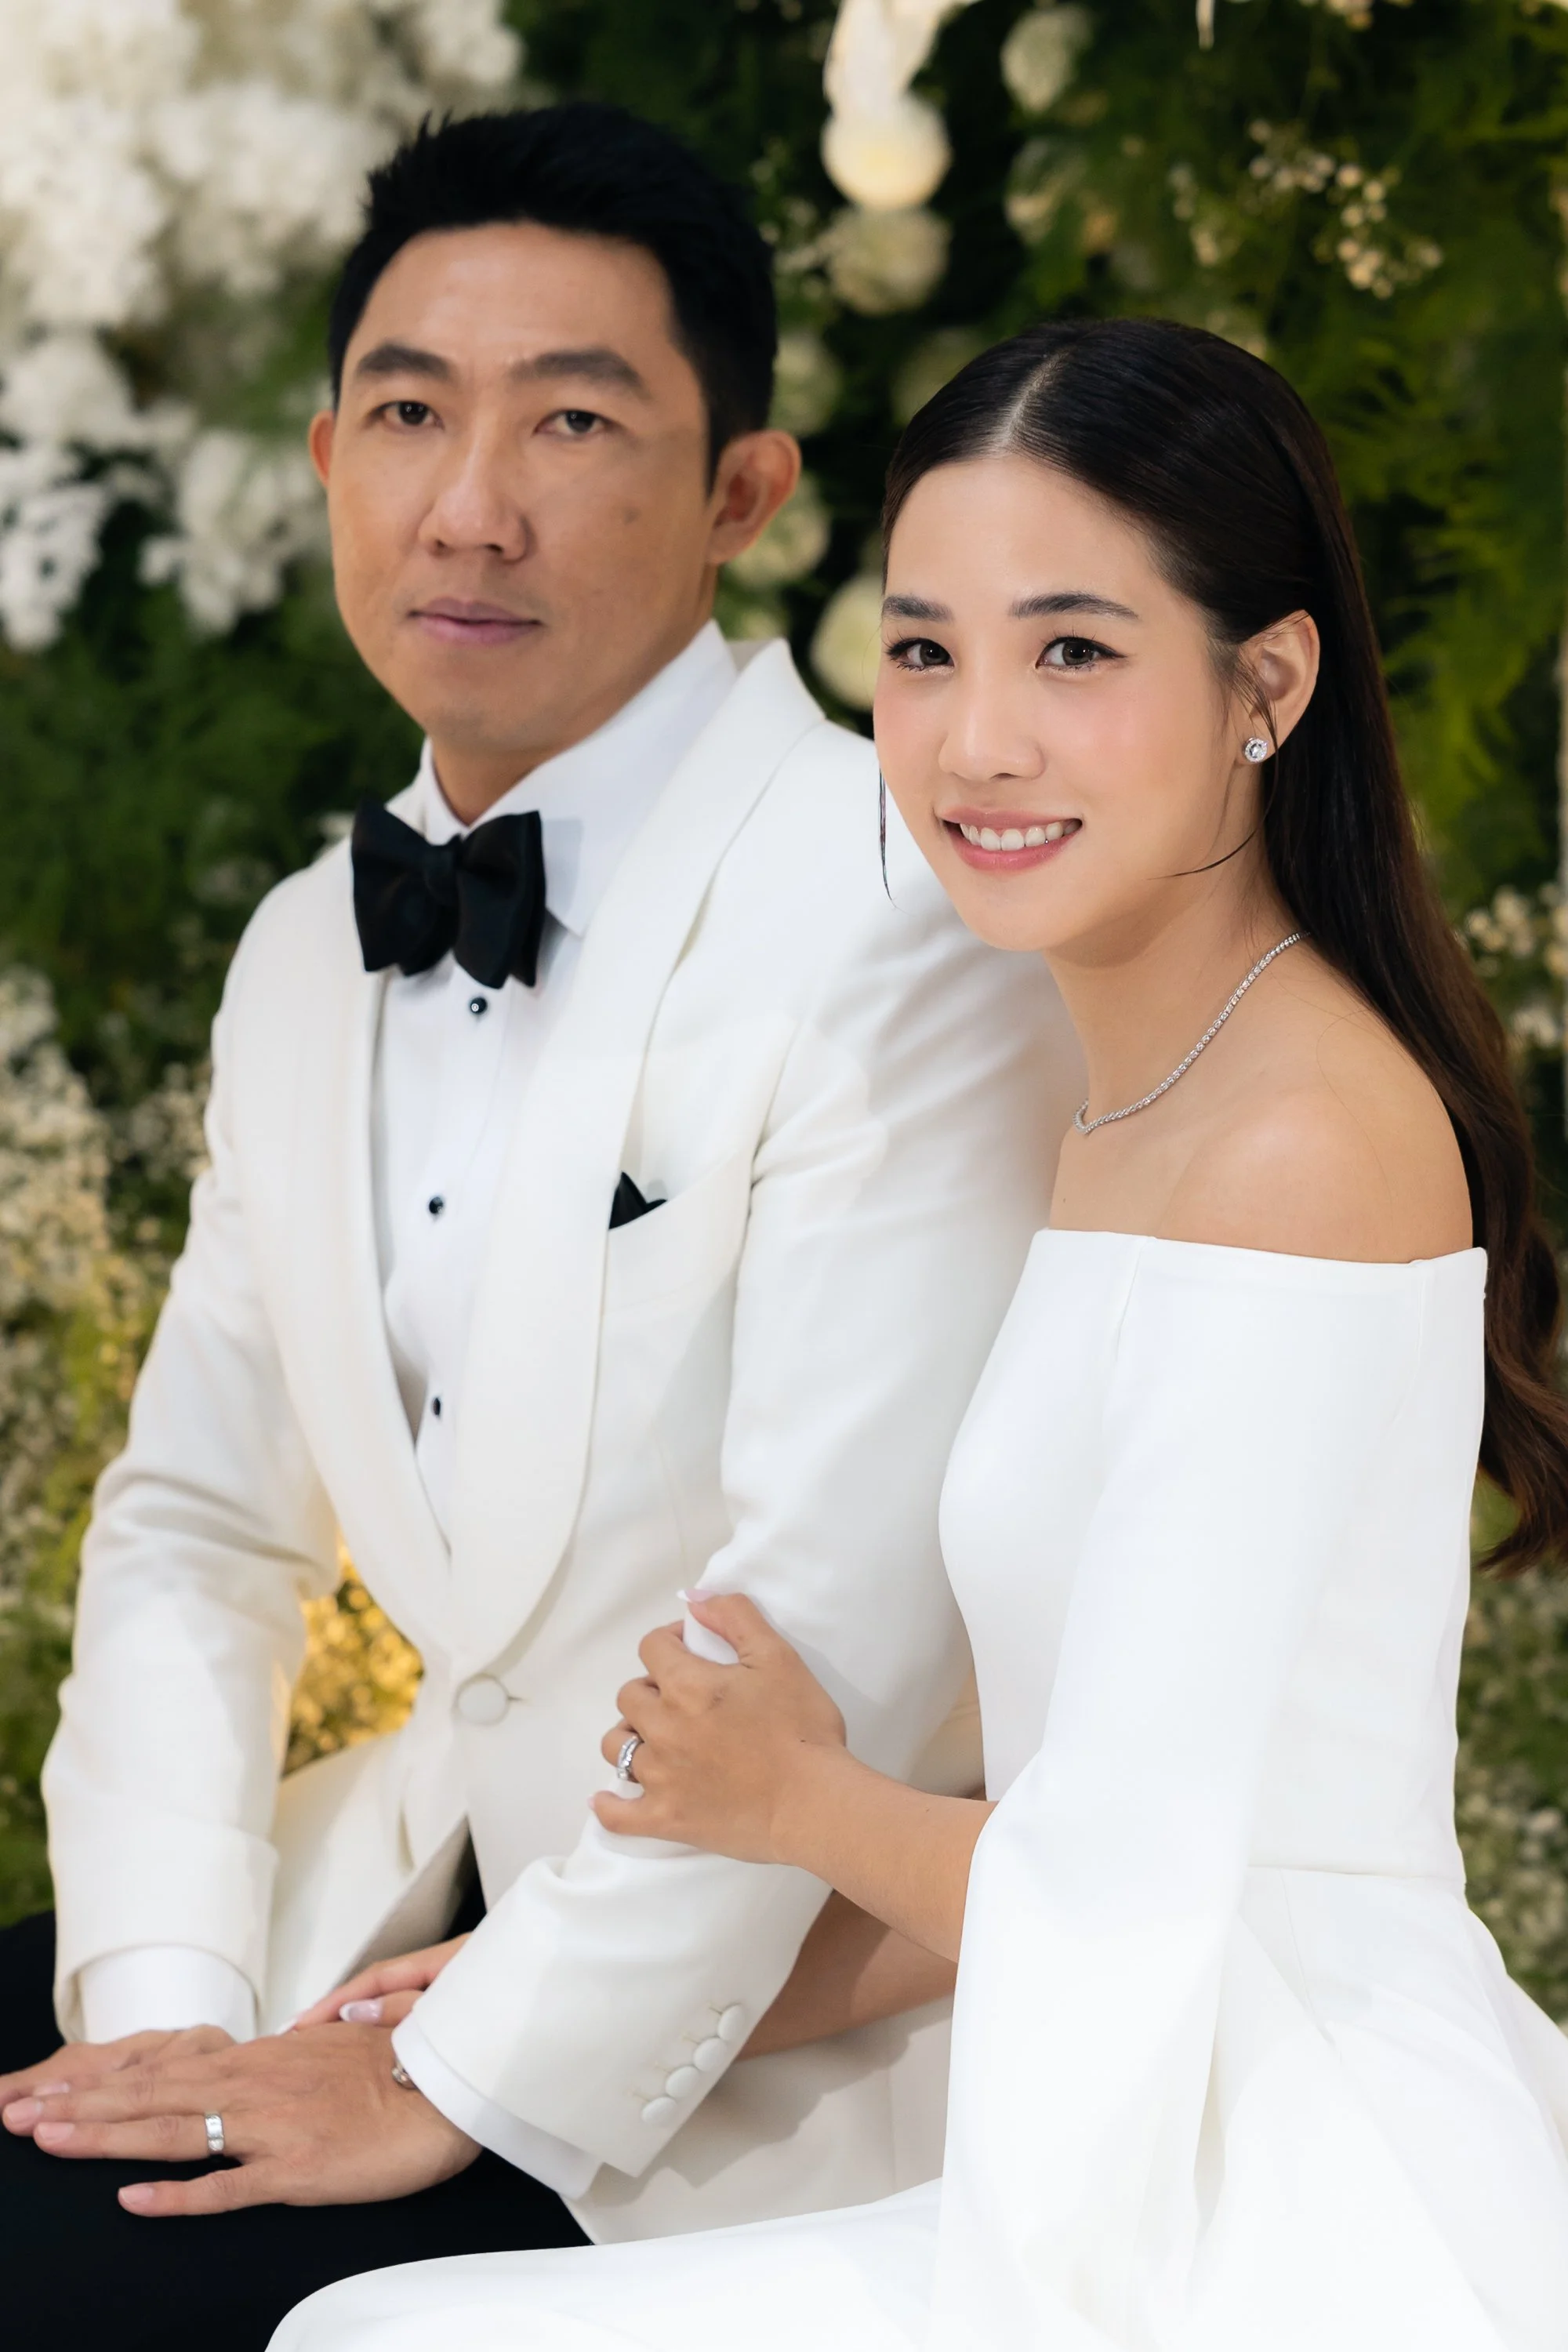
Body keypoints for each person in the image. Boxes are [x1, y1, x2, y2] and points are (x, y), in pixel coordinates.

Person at [267, 315, 1568, 2352]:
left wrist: (785, 1793)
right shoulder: (1129, 1095)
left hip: (1268, 2167)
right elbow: (1071, 1839)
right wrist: (533, 2001)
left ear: (1268, 686)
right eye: (925, 650)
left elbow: (1131, 1898)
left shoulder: (1304, 1145)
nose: (974, 742)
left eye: (1074, 653)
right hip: (1122, 2093)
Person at [0, 109, 1080, 2348]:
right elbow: (200, 1524)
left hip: (771, 2026)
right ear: (329, 459)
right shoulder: (305, 945)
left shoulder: (897, 901)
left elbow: (837, 1630)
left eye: (573, 422)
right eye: (410, 414)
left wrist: (452, 2075)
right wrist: (174, 2005)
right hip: (404, 1900)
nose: (468, 506)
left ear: (744, 493)